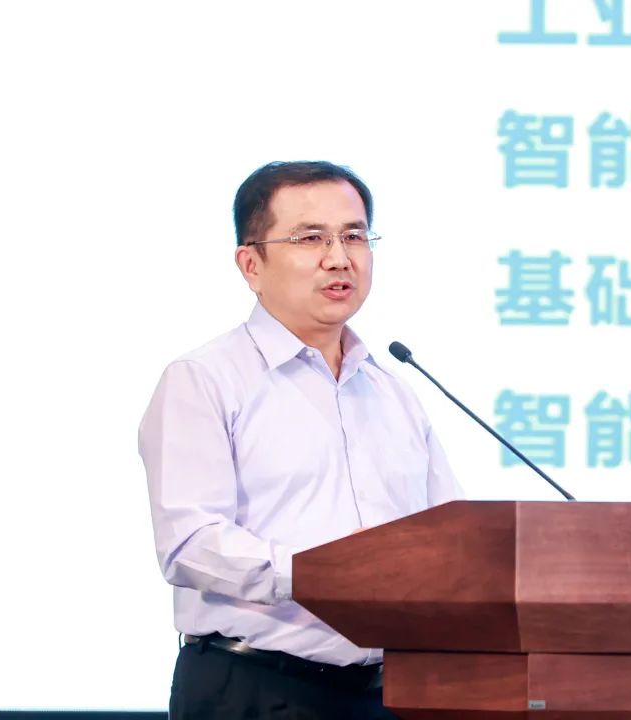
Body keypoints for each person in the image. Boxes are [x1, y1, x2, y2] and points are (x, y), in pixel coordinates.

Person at [138, 160, 463, 718]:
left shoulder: (394, 392)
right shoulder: (204, 380)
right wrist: (329, 573)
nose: (339, 258)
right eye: (310, 238)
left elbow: (450, 535)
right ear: (251, 264)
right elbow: (190, 544)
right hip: (254, 688)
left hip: (389, 695)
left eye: (354, 236)